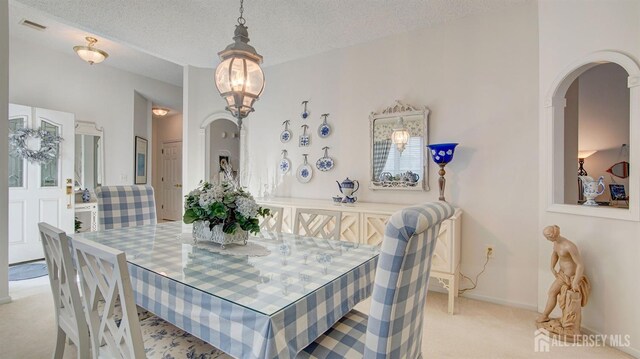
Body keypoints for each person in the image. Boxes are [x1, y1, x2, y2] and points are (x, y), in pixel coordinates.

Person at [536, 225, 590, 324]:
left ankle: (547, 316)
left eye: (547, 237)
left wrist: (575, 282)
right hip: (562, 274)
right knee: (552, 293)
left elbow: (580, 265)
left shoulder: (569, 246)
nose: (546, 239)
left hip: (569, 277)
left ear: (553, 236)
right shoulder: (556, 243)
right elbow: (555, 254)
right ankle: (545, 316)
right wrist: (552, 267)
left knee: (554, 293)